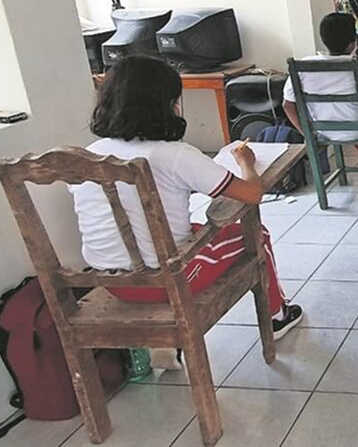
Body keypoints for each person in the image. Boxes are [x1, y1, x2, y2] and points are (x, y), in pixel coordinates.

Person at [69, 56, 303, 340]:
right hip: (169, 279)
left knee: (185, 228)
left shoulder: (86, 154)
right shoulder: (175, 155)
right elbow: (252, 194)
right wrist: (246, 161)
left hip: (111, 281)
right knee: (256, 233)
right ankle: (278, 316)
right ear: (166, 104)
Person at [283, 12, 358, 165]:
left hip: (324, 131)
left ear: (323, 39)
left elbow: (287, 105)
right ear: (352, 43)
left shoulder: (302, 66)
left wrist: (306, 133)